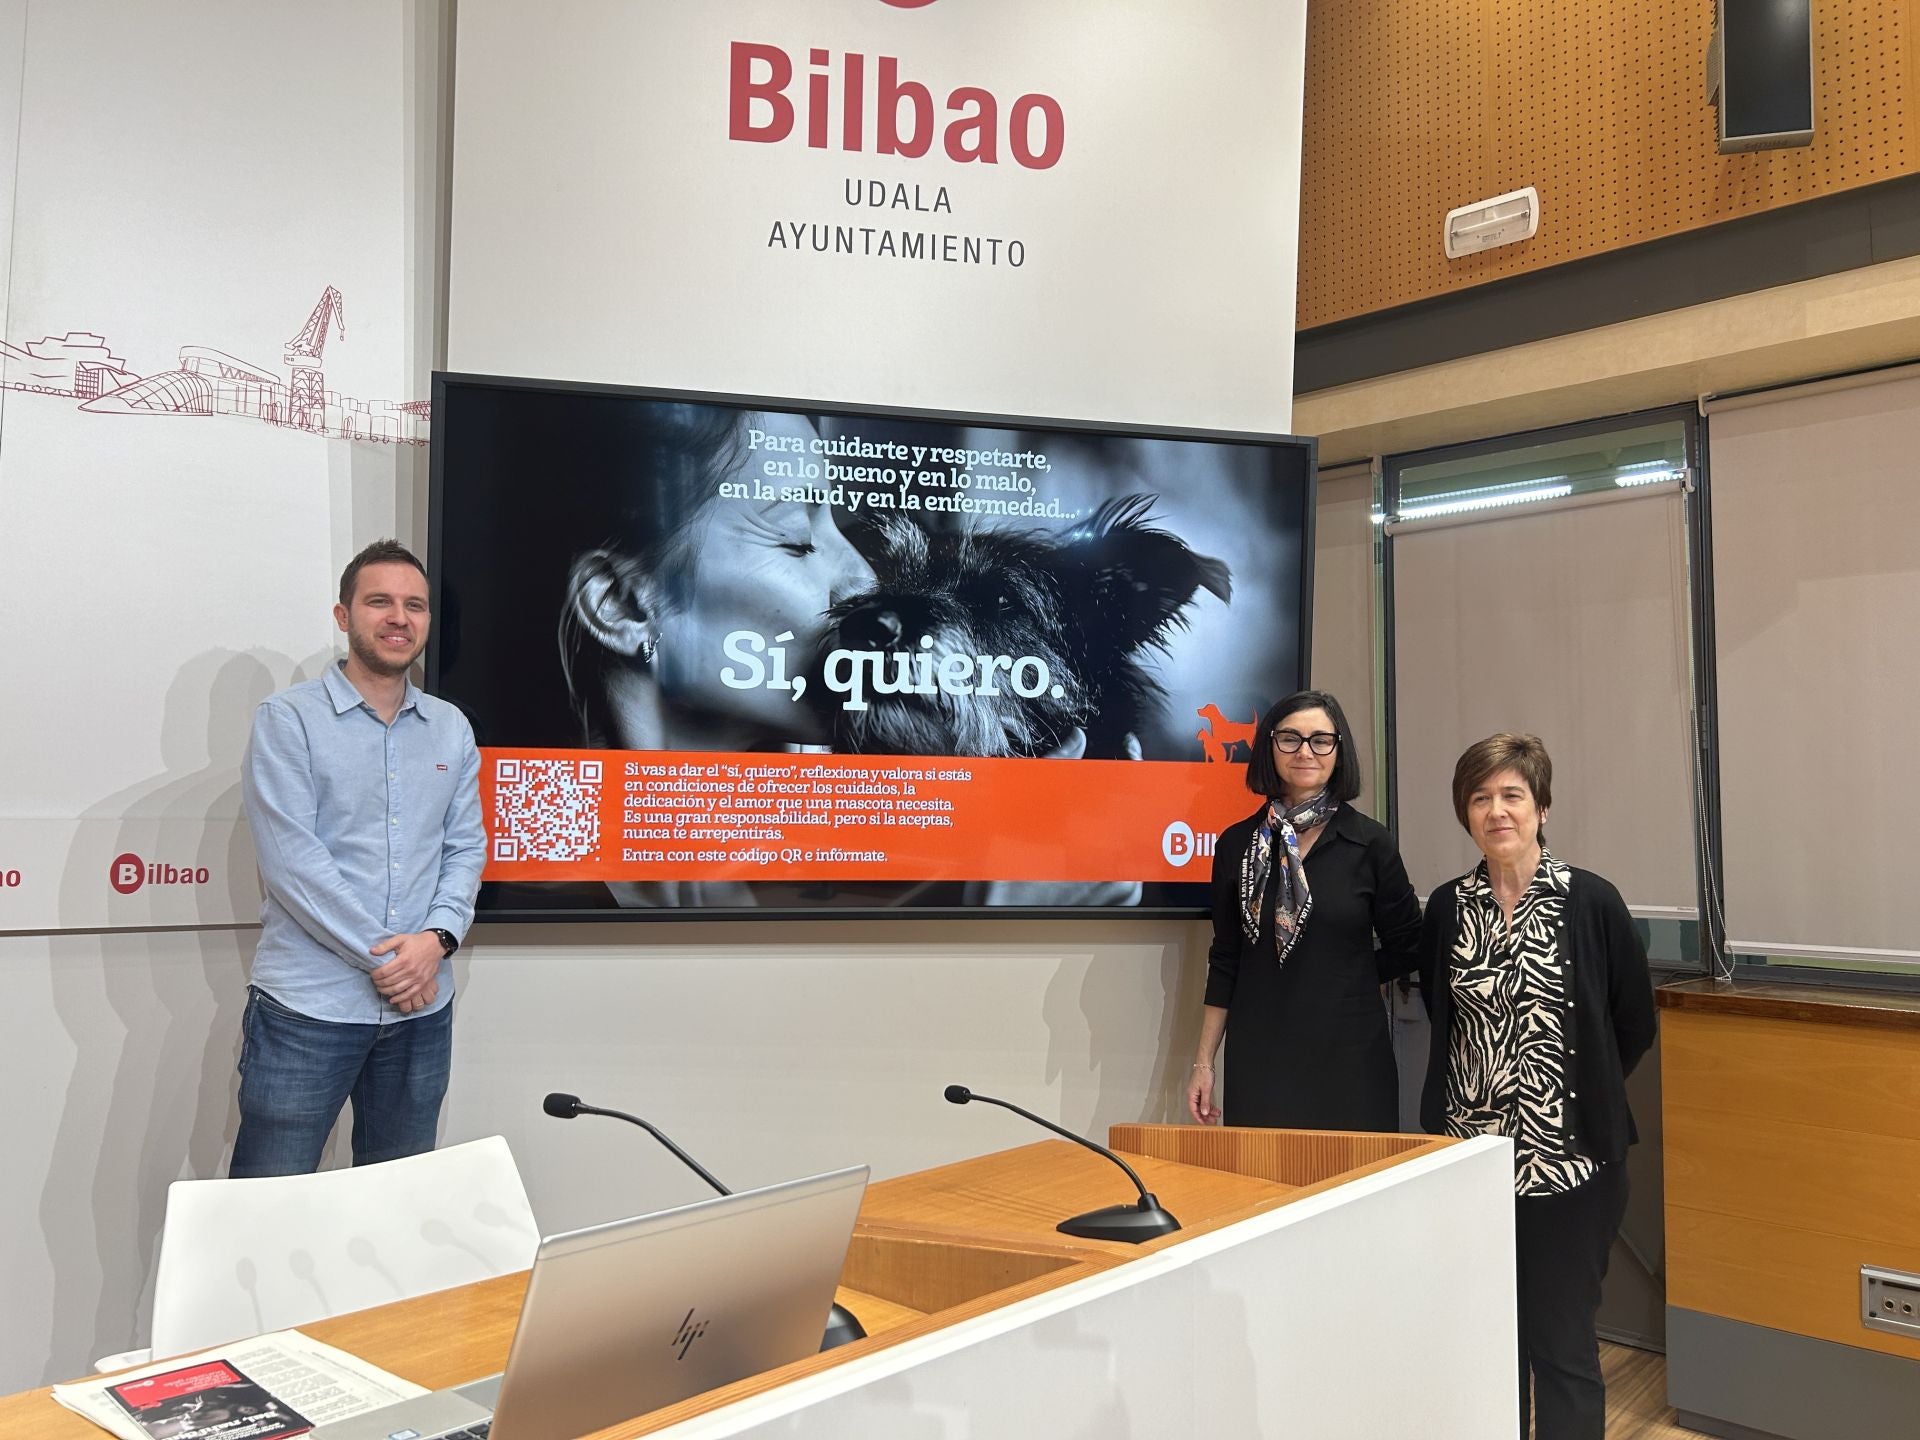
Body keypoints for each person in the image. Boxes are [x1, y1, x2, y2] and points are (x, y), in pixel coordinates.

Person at [1417, 733, 1656, 1440]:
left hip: (1570, 1170)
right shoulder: (1447, 908)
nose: (1497, 811)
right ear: (1465, 813)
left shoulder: (1592, 902)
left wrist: (1573, 1096)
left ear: (1542, 807)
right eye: (1481, 797)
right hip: (1472, 1165)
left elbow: (1631, 1023)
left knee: (1561, 1347)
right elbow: (1447, 1015)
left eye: (1512, 795)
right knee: (1489, 1344)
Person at [232, 539, 485, 1177]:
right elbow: (294, 864)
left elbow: (465, 847)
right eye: (379, 602)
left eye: (415, 606)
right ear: (344, 616)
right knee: (269, 1203)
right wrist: (398, 960)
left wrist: (439, 939)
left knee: (399, 1204)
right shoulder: (287, 720)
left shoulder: (451, 727)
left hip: (422, 1010)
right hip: (308, 1011)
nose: (399, 618)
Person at [1187, 689, 1422, 1130]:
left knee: (1355, 1191)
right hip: (1260, 1056)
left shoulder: (1370, 843)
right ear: (1269, 747)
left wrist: (1347, 975)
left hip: (1349, 1057)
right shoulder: (1237, 845)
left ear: (1339, 749)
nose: (1305, 751)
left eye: (1320, 740)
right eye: (1290, 738)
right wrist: (1205, 1062)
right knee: (1263, 1192)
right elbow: (1226, 957)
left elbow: (1408, 944)